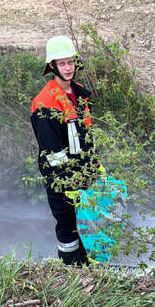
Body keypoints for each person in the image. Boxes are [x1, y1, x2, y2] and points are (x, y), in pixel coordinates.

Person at [30, 35, 98, 266]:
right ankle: (71, 273)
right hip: (61, 180)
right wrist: (68, 184)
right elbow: (53, 152)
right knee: (68, 231)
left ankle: (91, 272)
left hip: (83, 175)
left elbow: (85, 137)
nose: (68, 68)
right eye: (62, 64)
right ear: (52, 66)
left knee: (89, 228)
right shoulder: (45, 102)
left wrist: (94, 168)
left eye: (70, 62)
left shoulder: (79, 94)